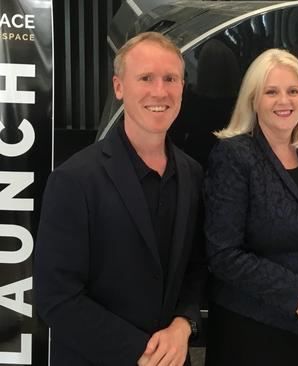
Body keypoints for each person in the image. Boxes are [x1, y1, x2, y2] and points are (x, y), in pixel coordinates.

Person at [34, 32, 206, 365]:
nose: (160, 91)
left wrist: (184, 325)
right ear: (118, 87)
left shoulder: (193, 174)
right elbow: (56, 297)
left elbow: (196, 269)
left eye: (170, 78)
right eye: (145, 78)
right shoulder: (74, 179)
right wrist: (139, 352)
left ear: (183, 87)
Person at [203, 48, 298, 366]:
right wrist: (296, 296)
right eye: (272, 92)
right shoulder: (234, 156)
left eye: (293, 91)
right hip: (250, 329)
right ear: (254, 99)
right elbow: (223, 254)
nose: (285, 101)